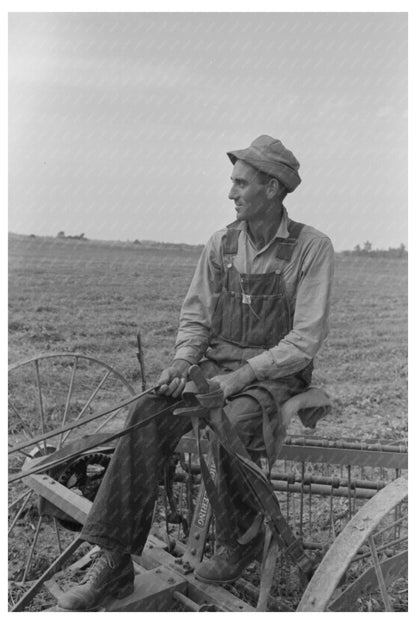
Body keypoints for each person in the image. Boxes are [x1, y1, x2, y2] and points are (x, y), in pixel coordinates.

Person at [58, 135, 334, 611]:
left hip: (275, 375)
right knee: (147, 411)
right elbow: (195, 320)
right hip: (214, 367)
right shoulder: (220, 244)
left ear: (272, 189)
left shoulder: (312, 249)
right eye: (232, 183)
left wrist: (239, 378)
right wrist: (184, 361)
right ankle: (116, 560)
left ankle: (240, 538)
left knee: (233, 421)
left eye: (241, 183)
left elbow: (304, 340)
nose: (231, 193)